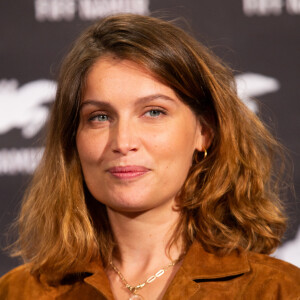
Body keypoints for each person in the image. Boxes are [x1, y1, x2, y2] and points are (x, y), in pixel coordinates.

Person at [0, 13, 299, 300]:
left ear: (203, 131)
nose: (123, 141)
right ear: (73, 138)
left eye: (154, 112)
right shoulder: (18, 292)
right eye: (100, 117)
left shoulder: (279, 291)